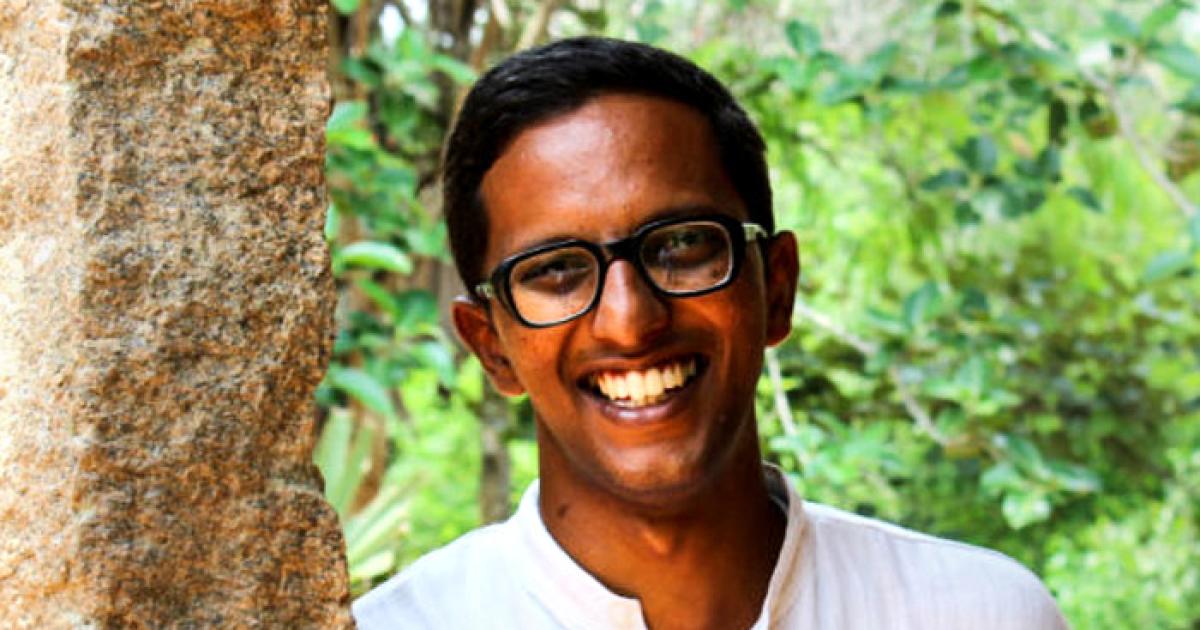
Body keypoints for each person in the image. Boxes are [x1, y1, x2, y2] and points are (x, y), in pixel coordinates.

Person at [352, 36, 1069, 630]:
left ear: (776, 288)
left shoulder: (977, 613)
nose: (630, 320)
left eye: (681, 245)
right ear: (490, 346)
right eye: (557, 270)